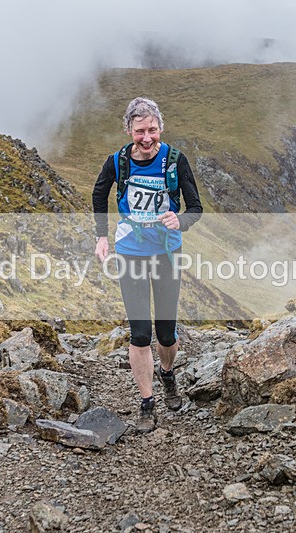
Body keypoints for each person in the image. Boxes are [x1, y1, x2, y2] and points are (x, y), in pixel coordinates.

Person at [92, 97, 202, 433]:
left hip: (167, 254)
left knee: (166, 334)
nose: (147, 137)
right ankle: (147, 402)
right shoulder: (118, 162)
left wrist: (179, 220)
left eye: (152, 129)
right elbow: (99, 194)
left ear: (160, 128)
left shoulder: (175, 160)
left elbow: (196, 208)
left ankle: (168, 373)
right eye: (140, 131)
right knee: (140, 333)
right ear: (129, 130)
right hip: (130, 253)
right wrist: (101, 237)